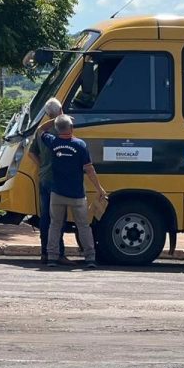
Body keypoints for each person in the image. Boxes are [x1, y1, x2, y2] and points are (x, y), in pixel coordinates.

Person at [41, 114, 107, 269]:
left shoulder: (53, 142)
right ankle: (90, 258)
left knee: (55, 225)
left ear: (57, 129)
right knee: (83, 226)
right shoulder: (80, 145)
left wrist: (56, 118)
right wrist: (99, 188)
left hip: (57, 193)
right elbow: (89, 169)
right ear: (71, 128)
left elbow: (40, 129)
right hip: (77, 194)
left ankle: (52, 257)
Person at [28, 98, 68, 264]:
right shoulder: (62, 130)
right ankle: (58, 253)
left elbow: (31, 153)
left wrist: (43, 165)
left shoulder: (40, 131)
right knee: (59, 218)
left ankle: (44, 252)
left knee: (45, 217)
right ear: (60, 111)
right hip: (59, 179)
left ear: (47, 113)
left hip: (44, 178)